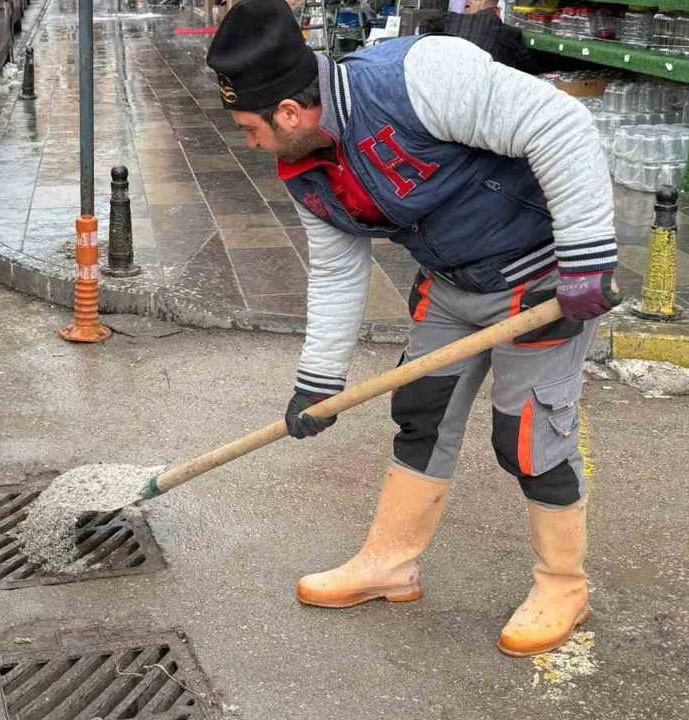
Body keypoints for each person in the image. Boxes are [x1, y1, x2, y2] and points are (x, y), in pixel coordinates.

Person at [206, 0, 618, 657]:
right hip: (452, 288)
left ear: (288, 112)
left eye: (248, 128)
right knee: (421, 415)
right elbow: (340, 275)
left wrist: (588, 254)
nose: (248, 143)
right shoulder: (306, 170)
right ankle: (390, 564)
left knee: (528, 438)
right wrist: (317, 384)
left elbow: (560, 123)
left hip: (538, 278)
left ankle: (563, 585)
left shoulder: (418, 77)